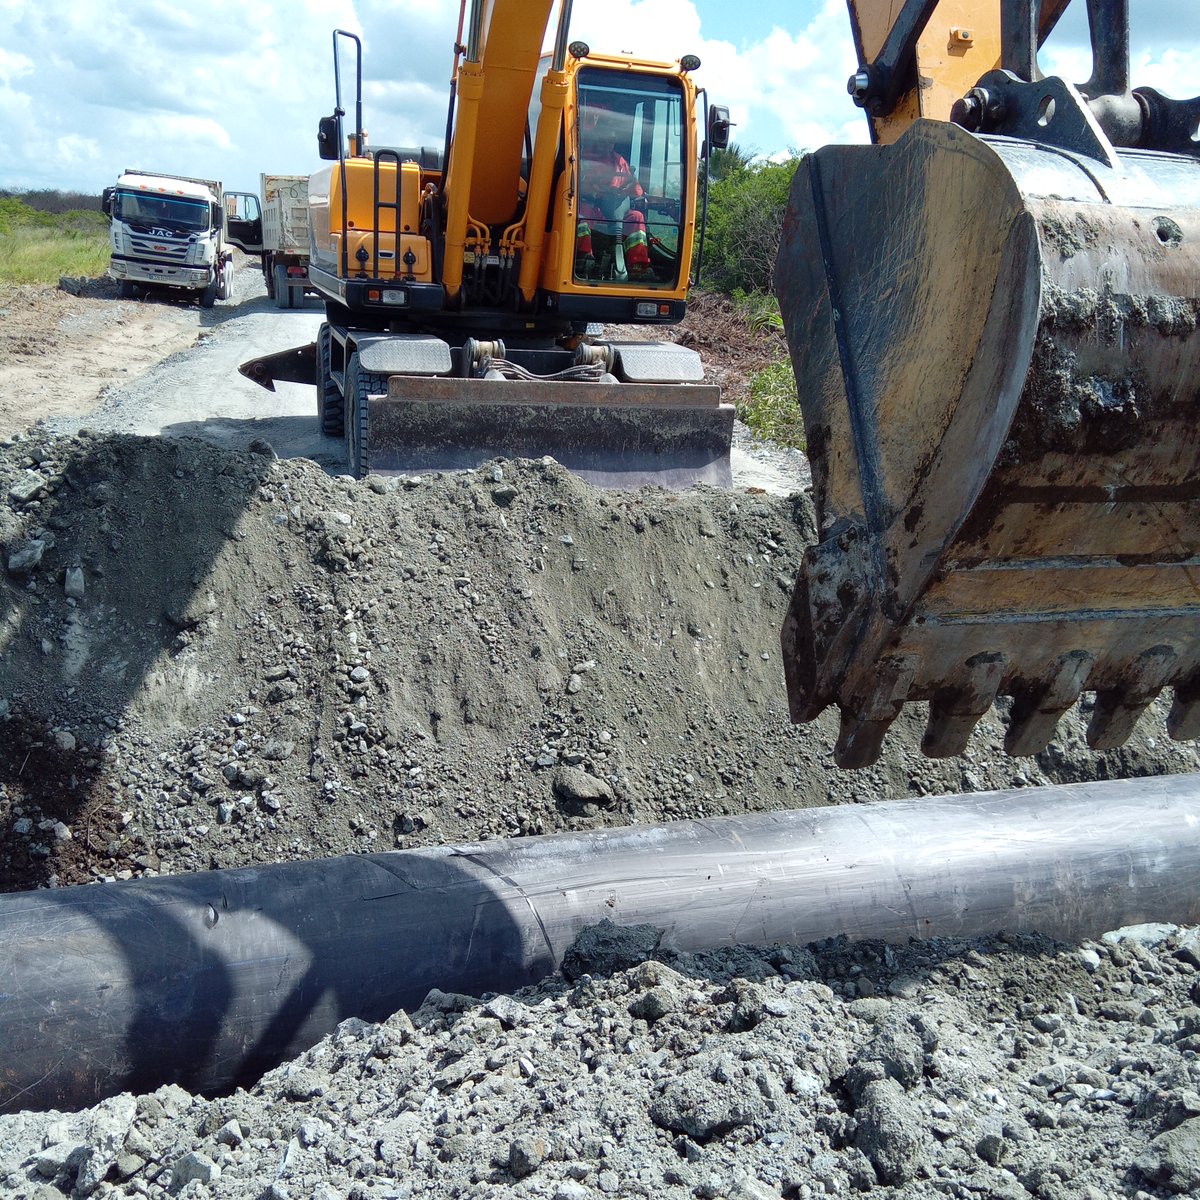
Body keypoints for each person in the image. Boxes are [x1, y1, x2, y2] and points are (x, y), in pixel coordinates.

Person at [575, 108, 652, 280]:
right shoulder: (584, 158)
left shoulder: (620, 162)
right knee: (580, 213)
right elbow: (576, 184)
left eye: (611, 141)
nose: (608, 144)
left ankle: (637, 265)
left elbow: (635, 188)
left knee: (636, 216)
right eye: (604, 140)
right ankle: (584, 256)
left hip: (617, 211)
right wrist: (596, 190)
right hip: (594, 209)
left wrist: (636, 191)